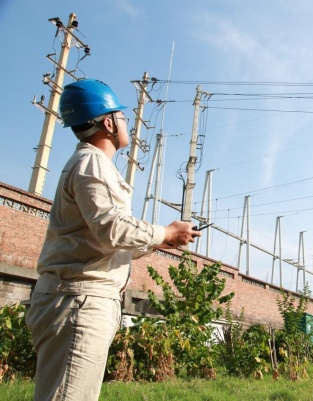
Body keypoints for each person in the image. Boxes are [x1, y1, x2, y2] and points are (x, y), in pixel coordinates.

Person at [25, 79, 200, 401]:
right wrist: (164, 231)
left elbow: (102, 241)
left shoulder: (90, 163)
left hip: (78, 298)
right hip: (78, 301)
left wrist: (159, 243)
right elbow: (113, 228)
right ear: (108, 122)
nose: (127, 126)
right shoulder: (92, 162)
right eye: (123, 118)